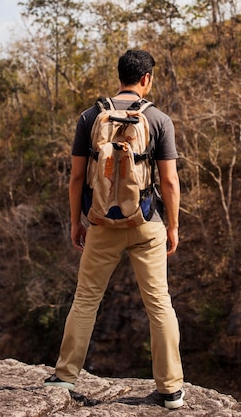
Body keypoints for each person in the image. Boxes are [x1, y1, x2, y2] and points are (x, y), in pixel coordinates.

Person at [45, 50, 185, 410]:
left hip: (101, 223)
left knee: (87, 297)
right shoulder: (159, 120)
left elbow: (77, 177)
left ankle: (64, 377)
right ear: (146, 79)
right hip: (147, 223)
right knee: (159, 303)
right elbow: (168, 182)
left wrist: (77, 220)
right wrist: (173, 224)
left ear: (119, 75)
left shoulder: (90, 116)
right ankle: (171, 390)